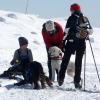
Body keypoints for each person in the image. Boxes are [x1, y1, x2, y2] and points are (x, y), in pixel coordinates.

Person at [58, 3, 93, 89]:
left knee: (65, 60)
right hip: (81, 43)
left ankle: (61, 78)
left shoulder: (71, 18)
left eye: (71, 10)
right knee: (78, 63)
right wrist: (86, 33)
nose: (70, 11)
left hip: (71, 42)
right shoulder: (85, 18)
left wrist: (63, 42)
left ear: (73, 10)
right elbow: (91, 31)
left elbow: (66, 31)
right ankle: (77, 82)